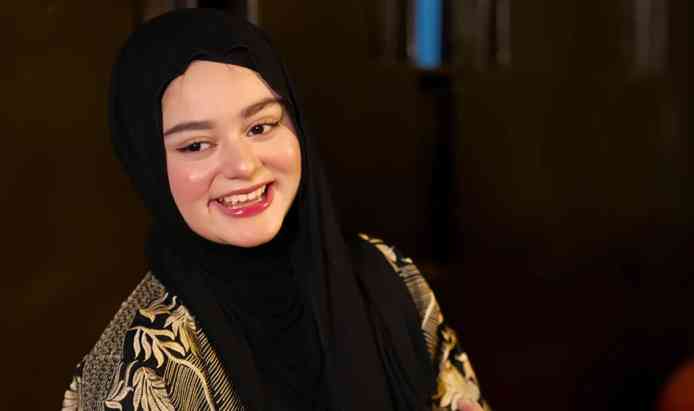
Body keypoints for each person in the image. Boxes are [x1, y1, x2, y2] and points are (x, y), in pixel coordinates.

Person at [61, 8, 490, 411]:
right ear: (148, 166)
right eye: (196, 145)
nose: (244, 166)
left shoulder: (387, 275)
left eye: (260, 126)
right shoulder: (145, 364)